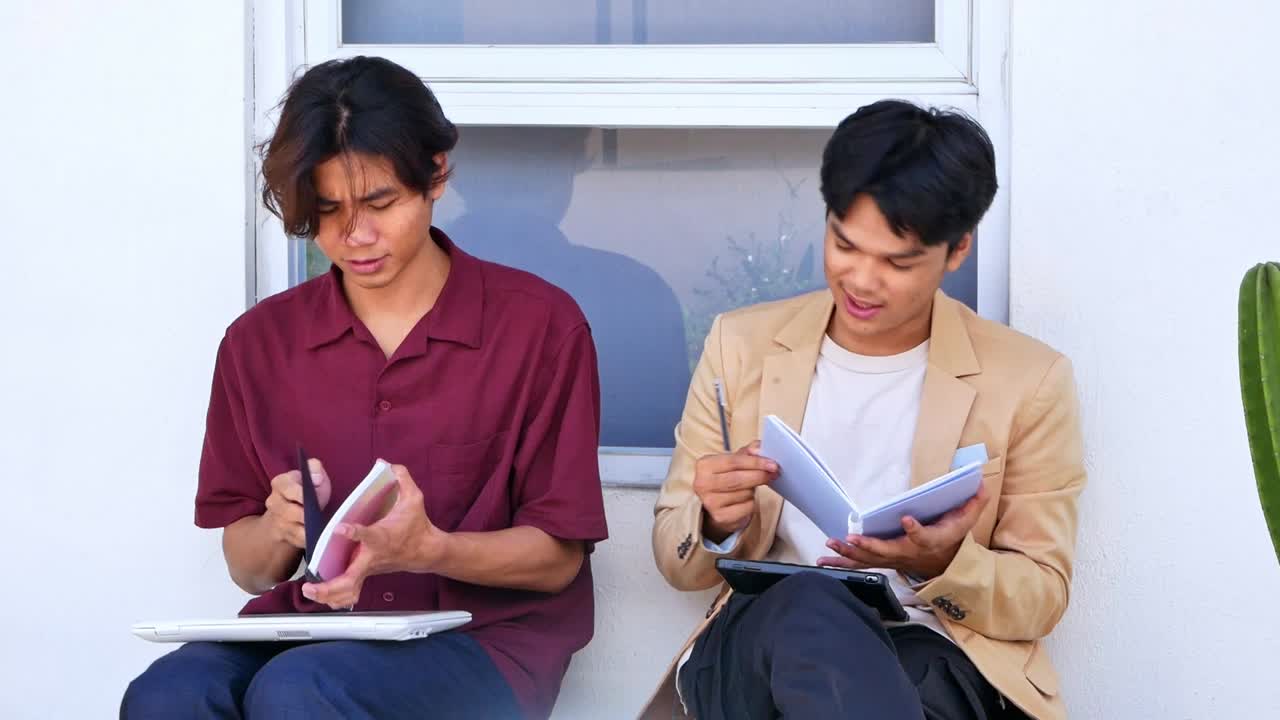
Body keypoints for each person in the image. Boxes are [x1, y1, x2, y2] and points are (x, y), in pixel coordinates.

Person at [121, 56, 608, 720]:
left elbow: (557, 560)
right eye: (326, 212)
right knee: (166, 695)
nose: (355, 237)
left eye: (380, 203)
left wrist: (431, 548)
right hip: (311, 630)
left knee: (301, 692)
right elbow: (249, 567)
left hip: (483, 644)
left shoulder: (540, 327)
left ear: (436, 173)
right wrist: (278, 526)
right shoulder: (258, 344)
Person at [643, 100, 1086, 720]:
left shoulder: (1028, 378)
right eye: (844, 244)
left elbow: (1042, 595)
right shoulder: (740, 345)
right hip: (759, 641)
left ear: (957, 249)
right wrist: (714, 522)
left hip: (929, 649)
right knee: (810, 606)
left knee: (903, 680)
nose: (861, 280)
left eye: (897, 262)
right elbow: (676, 557)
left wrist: (942, 563)